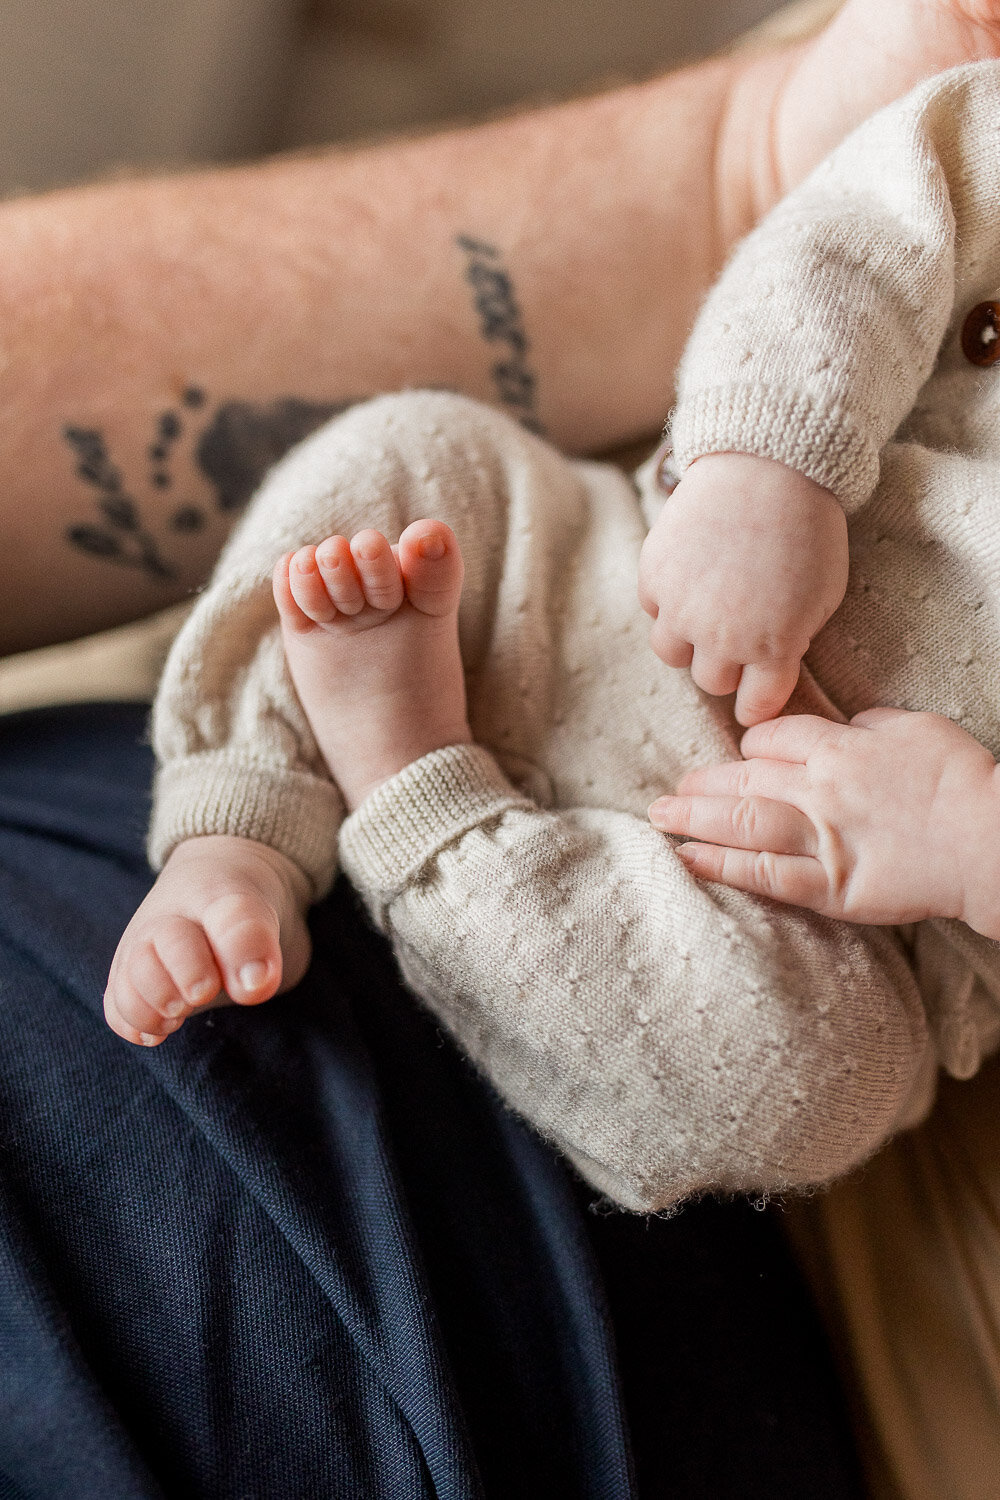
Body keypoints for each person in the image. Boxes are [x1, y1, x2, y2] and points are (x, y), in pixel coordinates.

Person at [5, 1, 1000, 1492]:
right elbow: (870, 221)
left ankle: (419, 803)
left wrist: (967, 834)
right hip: (617, 575)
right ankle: (241, 810)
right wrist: (765, 457)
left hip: (819, 910)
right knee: (405, 465)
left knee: (804, 1090)